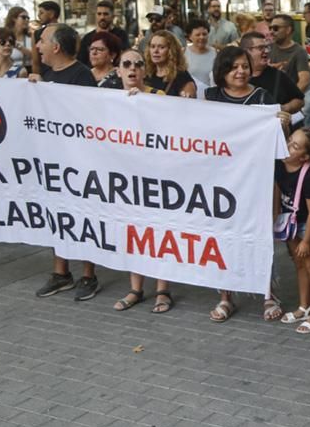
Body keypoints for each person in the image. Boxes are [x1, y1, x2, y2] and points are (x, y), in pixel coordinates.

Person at [203, 46, 280, 323]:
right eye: (234, 66)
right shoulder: (210, 97)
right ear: (222, 70)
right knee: (222, 236)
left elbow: (276, 140)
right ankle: (225, 296)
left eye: (245, 66)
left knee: (259, 236)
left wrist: (279, 123)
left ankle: (267, 294)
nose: (240, 71)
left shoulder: (262, 98)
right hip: (220, 180)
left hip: (255, 180)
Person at [29, 24, 101, 300]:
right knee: (56, 216)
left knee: (82, 217)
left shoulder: (82, 76)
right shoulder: (47, 75)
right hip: (52, 161)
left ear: (56, 47)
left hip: (78, 161)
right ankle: (61, 273)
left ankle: (88, 275)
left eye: (42, 41)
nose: (37, 47)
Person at [112, 49, 176, 314]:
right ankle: (136, 288)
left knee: (157, 230)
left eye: (138, 64)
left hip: (154, 174)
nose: (133, 69)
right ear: (118, 70)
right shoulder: (106, 99)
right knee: (132, 232)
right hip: (124, 176)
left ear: (145, 71)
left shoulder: (157, 97)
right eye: (126, 64)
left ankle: (162, 289)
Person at [277, 127, 310, 334]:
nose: (288, 146)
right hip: (290, 219)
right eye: (289, 141)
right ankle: (303, 306)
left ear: (305, 157)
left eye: (295, 146)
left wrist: (307, 240)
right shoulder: (280, 165)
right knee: (299, 262)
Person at [241, 31, 301, 133]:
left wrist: (283, 108)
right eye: (260, 48)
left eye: (267, 47)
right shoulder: (237, 77)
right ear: (246, 51)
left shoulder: (279, 76)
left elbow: (299, 100)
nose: (266, 51)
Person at [143, 30, 196, 98]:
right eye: (152, 46)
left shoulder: (182, 78)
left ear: (171, 51)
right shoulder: (146, 75)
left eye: (161, 47)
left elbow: (190, 105)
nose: (155, 51)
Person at [269, 14, 310, 94]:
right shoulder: (268, 47)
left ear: (288, 30)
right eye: (270, 28)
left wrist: (291, 97)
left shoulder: (299, 51)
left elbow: (304, 80)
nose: (271, 32)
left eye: (275, 28)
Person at [78, 1, 129, 67]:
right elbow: (82, 62)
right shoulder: (87, 38)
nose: (102, 17)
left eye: (106, 14)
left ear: (112, 16)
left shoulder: (121, 35)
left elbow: (125, 57)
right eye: (99, 14)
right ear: (95, 16)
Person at [31, 0, 62, 76]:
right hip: (45, 76)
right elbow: (35, 61)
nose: (38, 16)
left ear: (51, 14)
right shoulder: (36, 34)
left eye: (41, 13)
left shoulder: (69, 33)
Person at [183, 18, 216, 90]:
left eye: (204, 34)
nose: (202, 37)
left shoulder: (215, 53)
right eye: (198, 35)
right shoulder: (183, 53)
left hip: (210, 97)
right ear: (190, 36)